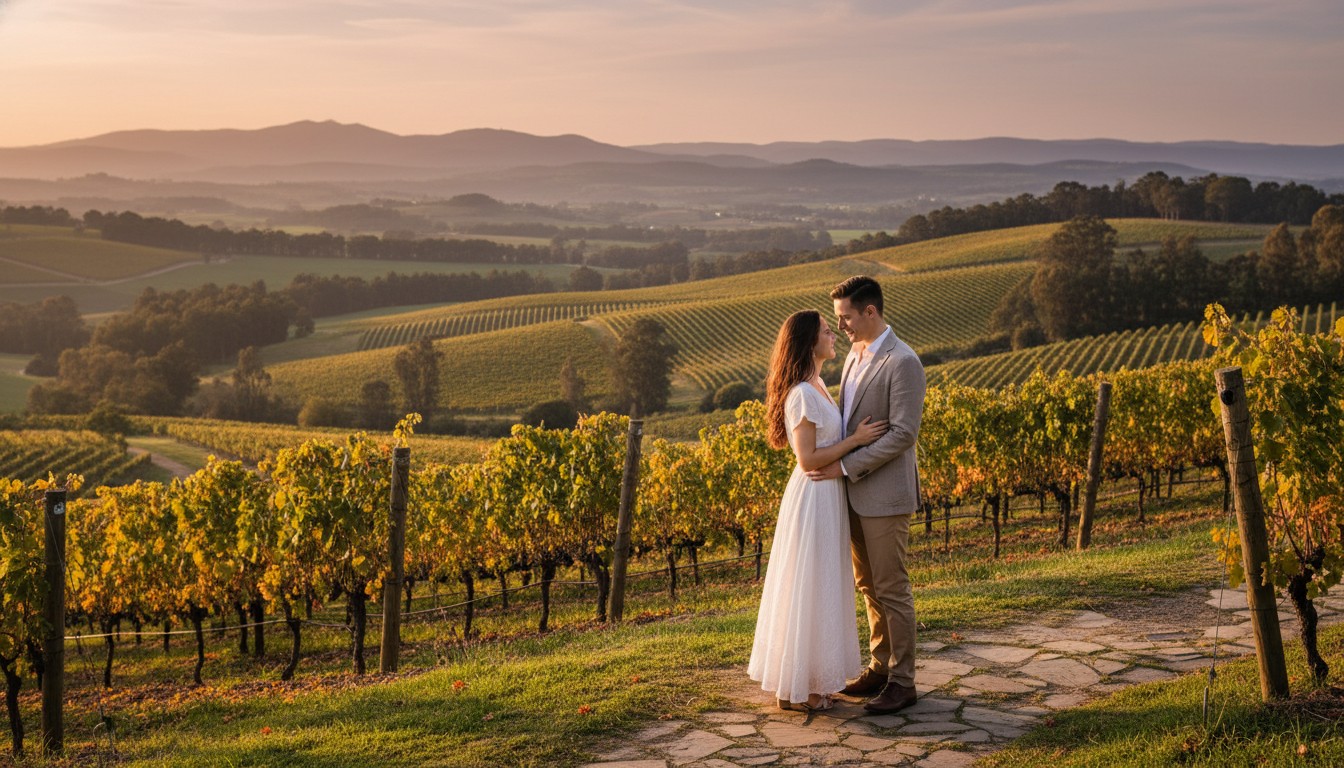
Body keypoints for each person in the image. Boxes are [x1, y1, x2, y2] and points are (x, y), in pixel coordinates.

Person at [748, 309, 887, 712]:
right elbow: (807, 459)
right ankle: (799, 687)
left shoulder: (819, 385)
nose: (834, 335)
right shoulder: (802, 394)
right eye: (827, 331)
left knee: (821, 584)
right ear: (810, 341)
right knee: (809, 584)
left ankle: (810, 680)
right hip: (813, 495)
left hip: (829, 495)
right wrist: (856, 439)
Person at [807, 275, 926, 715]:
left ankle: (904, 681)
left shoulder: (903, 361)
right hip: (854, 495)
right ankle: (880, 666)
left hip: (886, 496)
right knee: (868, 586)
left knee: (892, 588)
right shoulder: (855, 355)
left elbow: (903, 435)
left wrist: (844, 465)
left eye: (846, 317)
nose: (841, 327)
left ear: (870, 312)